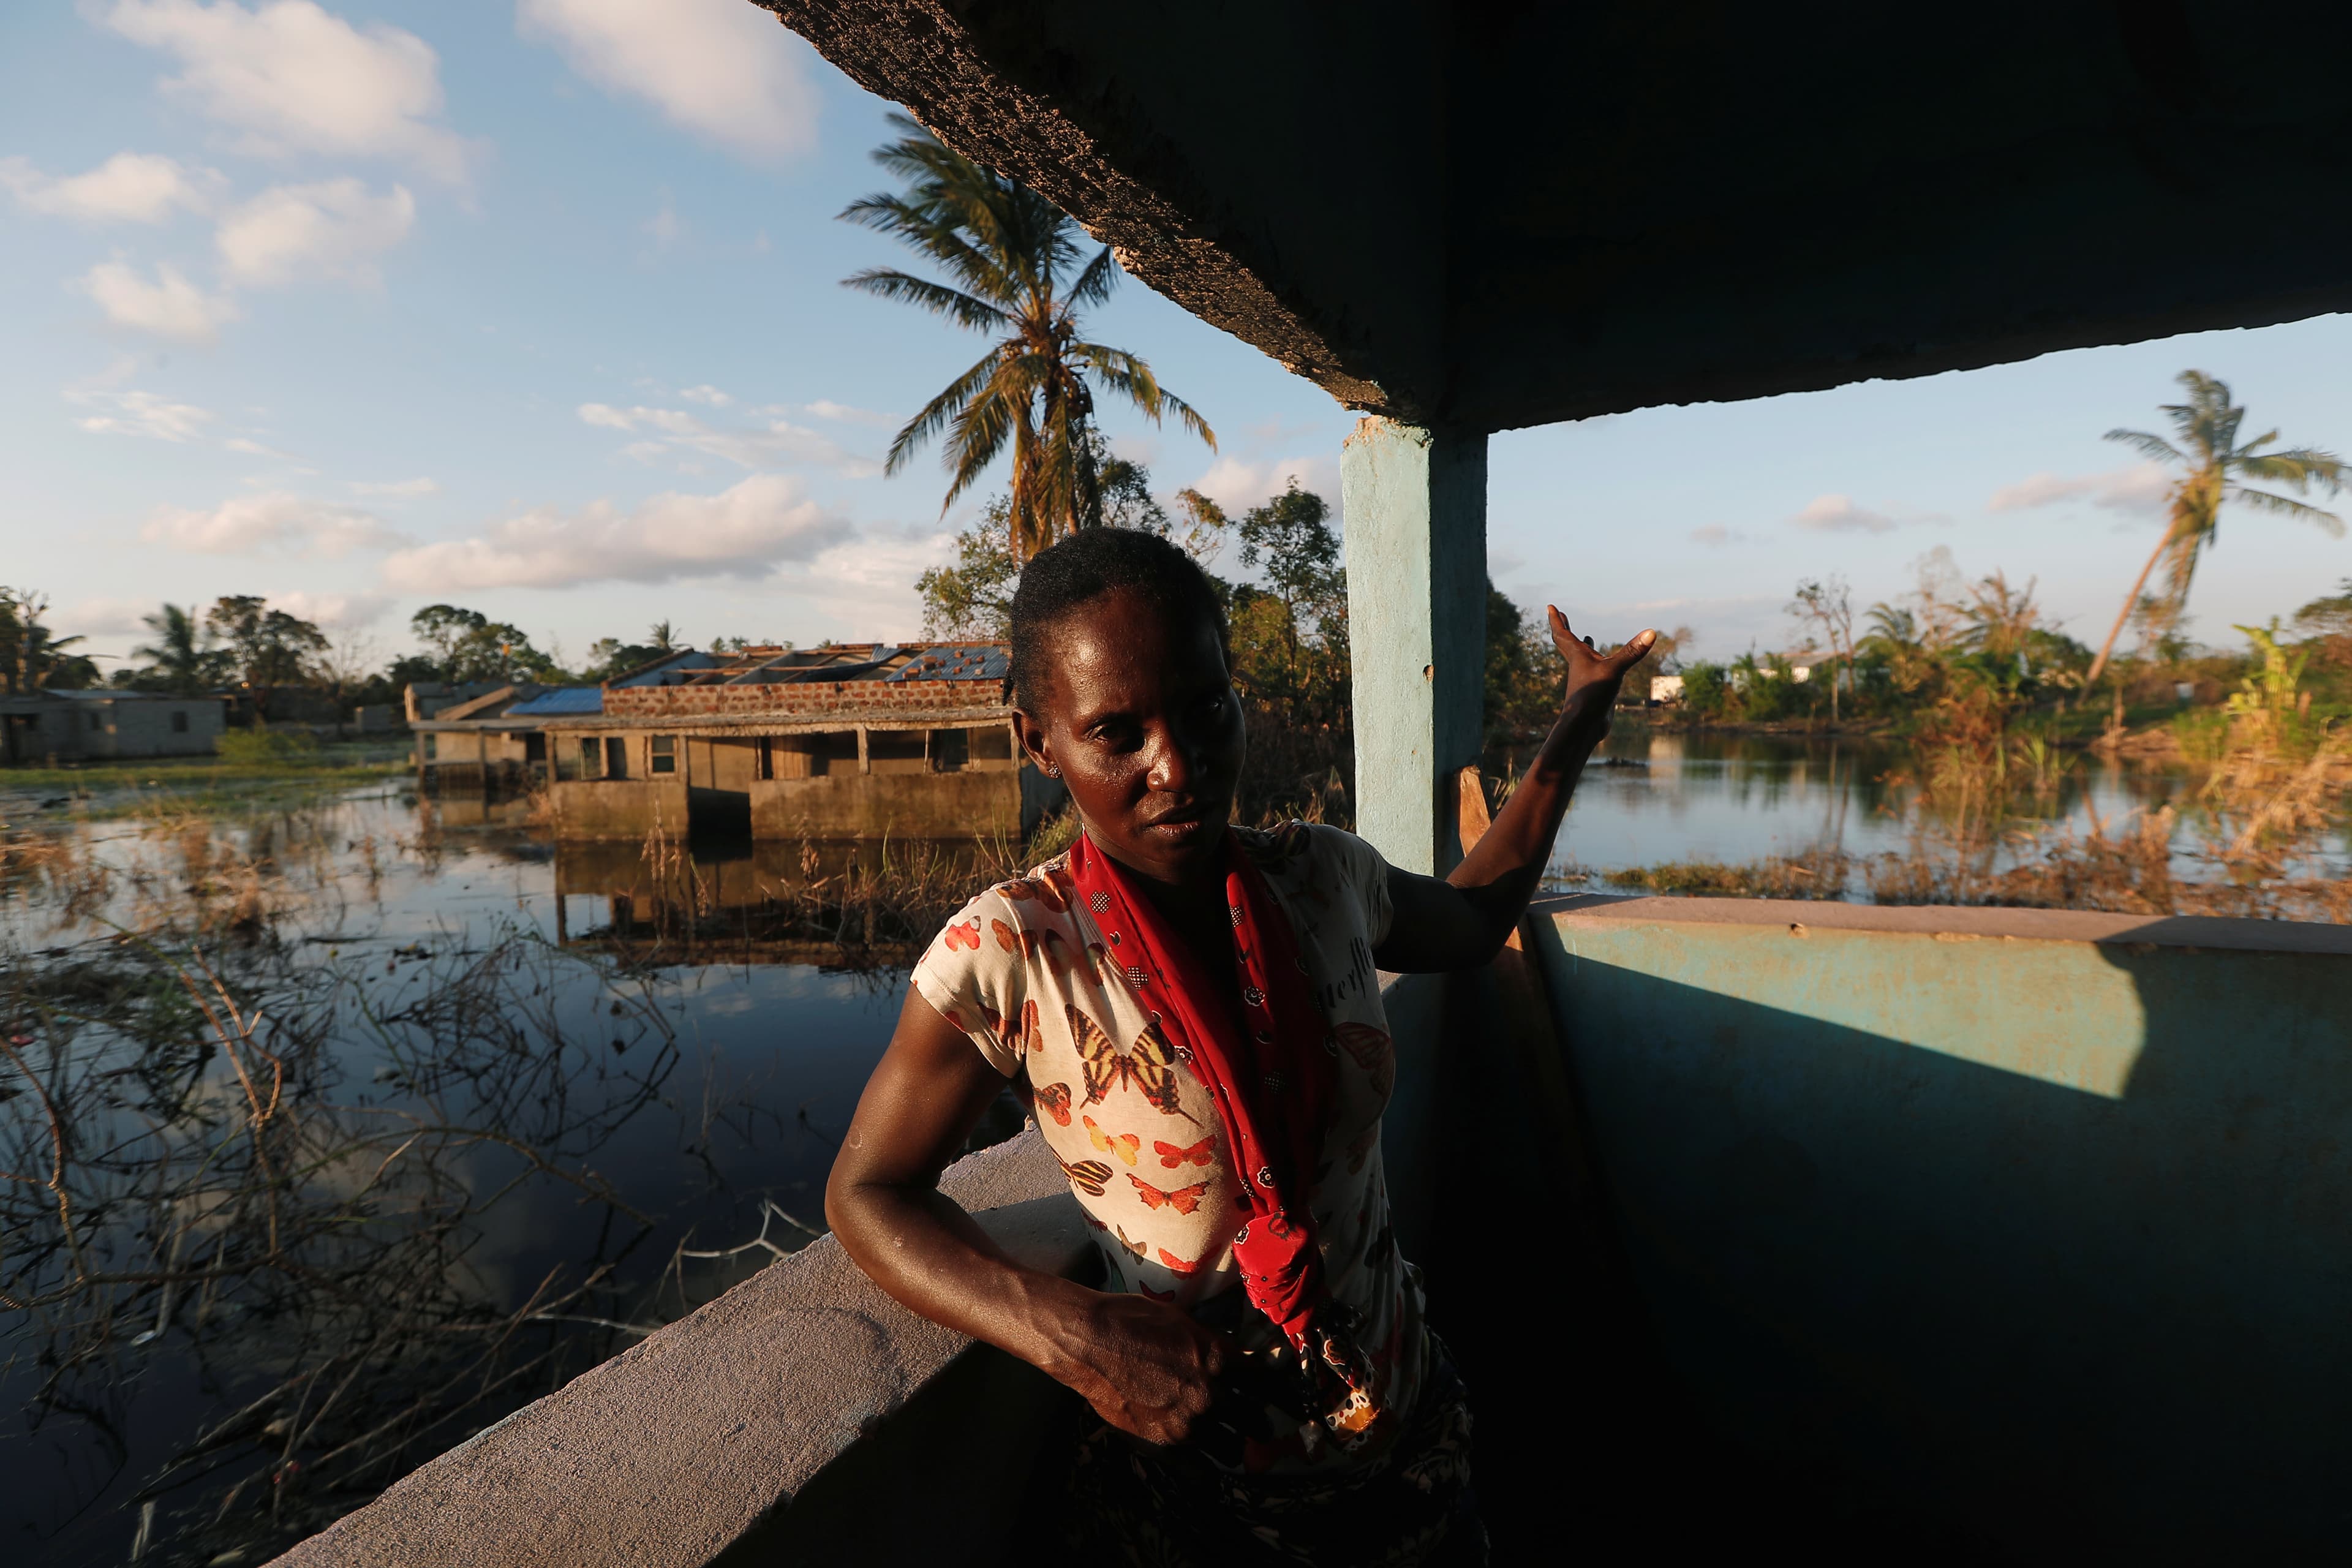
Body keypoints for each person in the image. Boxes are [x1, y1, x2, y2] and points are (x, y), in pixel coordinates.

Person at [826, 529, 1655, 1565]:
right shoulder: (1014, 952)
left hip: (1411, 1432)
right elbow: (868, 1192)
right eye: (1117, 734)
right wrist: (1071, 1337)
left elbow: (1475, 921)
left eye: (1207, 709)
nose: (1177, 768)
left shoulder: (1323, 881)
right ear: (1040, 742)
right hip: (1213, 1503)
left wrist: (1580, 713)